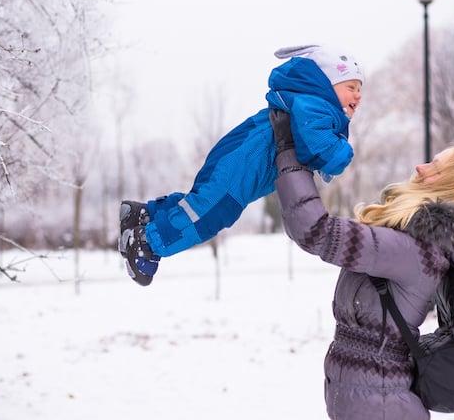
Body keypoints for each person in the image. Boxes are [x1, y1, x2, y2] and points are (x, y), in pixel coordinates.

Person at [268, 109, 454, 420]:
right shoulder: (411, 239)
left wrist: (288, 153)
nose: (420, 166)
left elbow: (316, 231)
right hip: (377, 400)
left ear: (453, 191)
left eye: (436, 167)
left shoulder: (412, 251)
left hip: (383, 406)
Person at [118, 45, 364, 286]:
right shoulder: (315, 105)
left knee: (202, 205)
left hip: (239, 162)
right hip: (239, 165)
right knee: (207, 215)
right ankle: (146, 242)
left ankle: (144, 214)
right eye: (350, 87)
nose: (358, 95)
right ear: (324, 84)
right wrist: (345, 150)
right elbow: (325, 153)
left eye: (360, 89)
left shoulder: (310, 104)